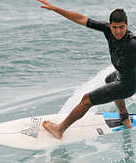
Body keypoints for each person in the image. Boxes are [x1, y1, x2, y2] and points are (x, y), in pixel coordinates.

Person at [38, 0, 136, 139]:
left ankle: (59, 129)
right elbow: (81, 19)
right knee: (109, 79)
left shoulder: (132, 43)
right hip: (122, 74)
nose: (118, 31)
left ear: (126, 25)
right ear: (110, 25)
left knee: (86, 100)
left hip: (129, 83)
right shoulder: (107, 29)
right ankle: (124, 117)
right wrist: (55, 8)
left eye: (122, 27)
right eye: (115, 27)